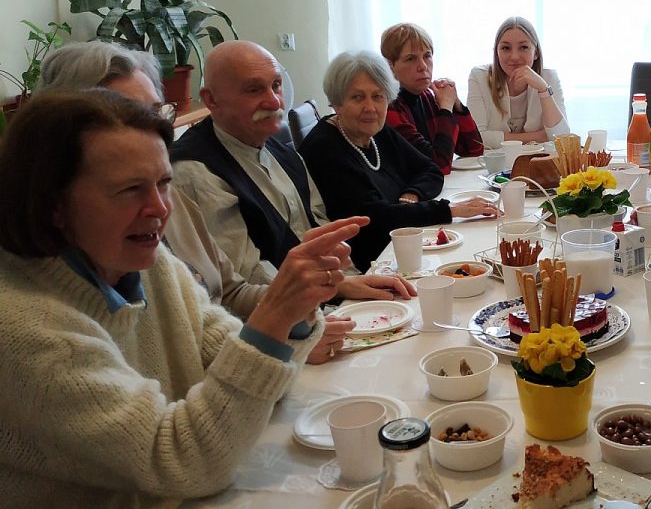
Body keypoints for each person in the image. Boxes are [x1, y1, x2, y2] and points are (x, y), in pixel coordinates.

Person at [0, 91, 359, 509]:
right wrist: (273, 317)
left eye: (164, 183)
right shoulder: (24, 331)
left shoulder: (148, 265)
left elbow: (239, 370)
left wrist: (294, 312)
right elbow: (184, 460)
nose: (159, 208)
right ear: (54, 205)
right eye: (129, 190)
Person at [38, 41, 413, 365]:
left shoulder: (276, 154)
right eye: (254, 89)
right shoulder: (190, 176)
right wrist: (289, 336)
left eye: (154, 115)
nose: (273, 100)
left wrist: (309, 318)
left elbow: (223, 299)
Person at [169, 41, 413, 310]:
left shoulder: (277, 147)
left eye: (276, 85)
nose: (273, 101)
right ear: (211, 100)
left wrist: (347, 280)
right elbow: (240, 287)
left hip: (324, 297)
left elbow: (317, 223)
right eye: (254, 89)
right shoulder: (197, 171)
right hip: (278, 323)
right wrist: (335, 293)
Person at [300, 51, 499, 269]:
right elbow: (374, 219)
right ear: (336, 103)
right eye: (357, 97)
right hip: (365, 264)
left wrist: (410, 196)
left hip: (400, 245)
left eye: (378, 96)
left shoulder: (377, 131)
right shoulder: (326, 148)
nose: (370, 107)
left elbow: (431, 169)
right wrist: (449, 210)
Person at [380, 22, 483, 174]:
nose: (423, 66)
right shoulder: (389, 108)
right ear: (390, 67)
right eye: (410, 59)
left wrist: (456, 105)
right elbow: (438, 166)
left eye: (427, 56)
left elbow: (474, 150)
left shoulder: (428, 96)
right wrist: (446, 109)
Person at [467, 16, 570, 142]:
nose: (514, 56)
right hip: (497, 161)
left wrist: (543, 90)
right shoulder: (479, 77)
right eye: (506, 48)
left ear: (536, 52)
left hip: (537, 160)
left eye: (523, 47)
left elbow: (562, 138)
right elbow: (475, 139)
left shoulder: (548, 77)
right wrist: (539, 136)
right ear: (497, 52)